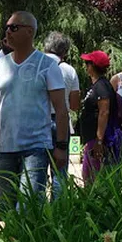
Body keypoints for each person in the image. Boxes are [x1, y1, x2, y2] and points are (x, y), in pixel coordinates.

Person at [0, 11, 68, 211]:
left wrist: (61, 146)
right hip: (4, 149)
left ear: (29, 31)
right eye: (6, 27)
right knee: (5, 210)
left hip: (37, 148)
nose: (8, 32)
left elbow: (61, 109)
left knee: (28, 207)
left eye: (14, 27)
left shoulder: (47, 65)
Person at [43, 32, 82, 196]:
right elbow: (74, 106)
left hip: (37, 121)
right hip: (61, 123)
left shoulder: (35, 65)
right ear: (65, 52)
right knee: (59, 171)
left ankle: (34, 211)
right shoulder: (69, 71)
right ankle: (58, 212)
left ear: (45, 47)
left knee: (35, 170)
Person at [78, 50, 122, 186]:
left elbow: (104, 112)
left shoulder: (102, 86)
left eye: (87, 63)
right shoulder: (96, 85)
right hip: (92, 139)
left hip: (99, 141)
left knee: (95, 177)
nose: (86, 66)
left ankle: (97, 202)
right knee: (87, 174)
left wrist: (99, 141)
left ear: (93, 66)